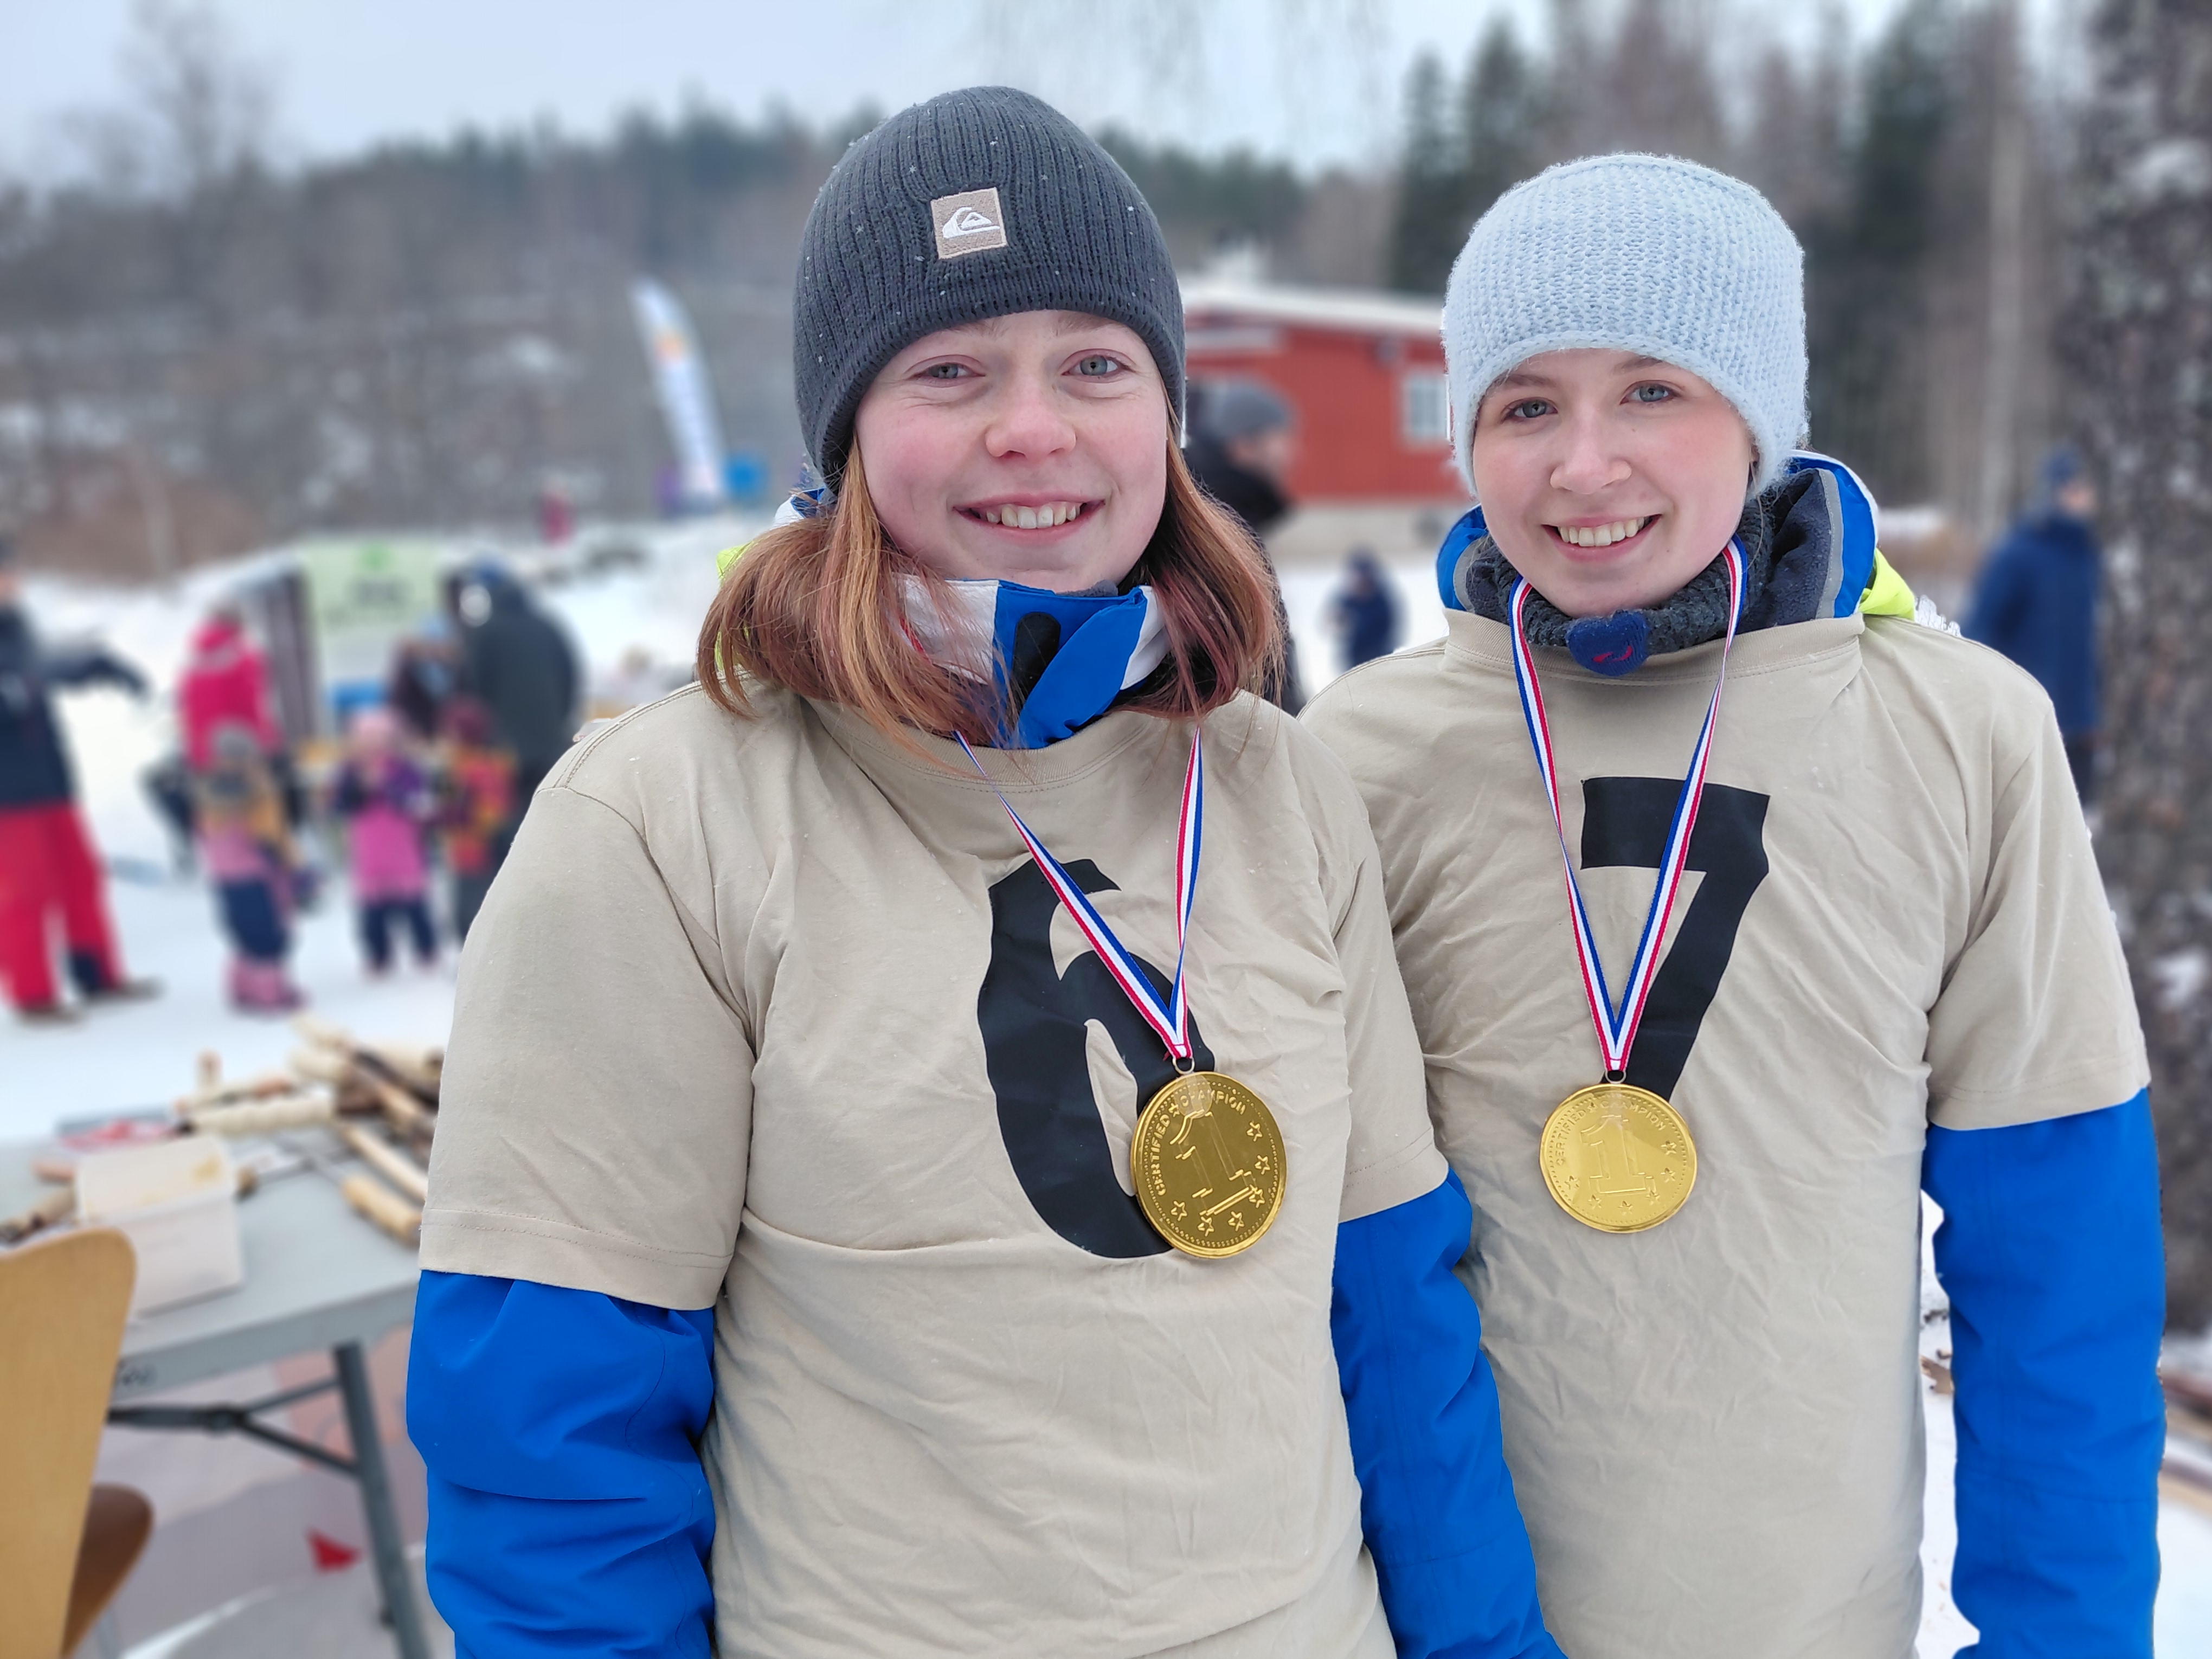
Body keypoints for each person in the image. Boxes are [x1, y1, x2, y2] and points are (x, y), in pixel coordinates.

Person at [408, 88, 1558, 1659]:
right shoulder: (665, 824)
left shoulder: (1277, 787)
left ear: (1167, 416)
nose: (1036, 427)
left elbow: (1398, 1320)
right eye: (952, 371)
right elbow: (553, 1447)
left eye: (1096, 363)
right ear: (848, 432)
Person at [1304, 155, 2163, 1659]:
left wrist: (2064, 1633)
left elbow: (2059, 1250)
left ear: (1762, 420)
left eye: (1654, 391)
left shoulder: (1958, 734)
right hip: (1433, 1618)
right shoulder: (1360, 761)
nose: (1585, 465)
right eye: (1525, 405)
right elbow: (1326, 1278)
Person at [0, 537, 157, 1024]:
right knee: (24, 892)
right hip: (9, 792)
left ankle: (98, 975)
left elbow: (46, 667)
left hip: (51, 779)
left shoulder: (17, 627)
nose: (12, 581)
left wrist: (101, 666)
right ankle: (34, 995)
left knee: (80, 878)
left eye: (13, 571)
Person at [1966, 446, 2105, 801]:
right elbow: (1981, 629)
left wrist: (2092, 715)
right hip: (2029, 724)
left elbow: (2088, 642)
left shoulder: (2087, 554)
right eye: (2072, 489)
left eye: (2085, 489)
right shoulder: (2019, 553)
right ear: (2052, 493)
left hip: (2079, 727)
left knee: (2076, 836)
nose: (2082, 498)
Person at [1186, 377, 1307, 711]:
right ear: (1244, 444)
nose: (1293, 453)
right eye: (1281, 438)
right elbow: (1254, 653)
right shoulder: (1219, 527)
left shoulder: (1214, 505)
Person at [192, 721, 304, 1013]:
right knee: (268, 932)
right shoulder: (257, 790)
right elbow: (270, 832)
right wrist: (289, 862)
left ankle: (243, 986)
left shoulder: (208, 792)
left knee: (244, 933)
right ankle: (271, 991)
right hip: (257, 872)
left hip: (226, 877)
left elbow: (204, 834)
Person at [455, 563, 578, 809]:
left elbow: (477, 684)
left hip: (506, 740)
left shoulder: (487, 632)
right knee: (552, 802)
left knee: (515, 810)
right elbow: (570, 672)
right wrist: (562, 715)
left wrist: (488, 729)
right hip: (551, 734)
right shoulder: (547, 627)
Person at [330, 707, 436, 975]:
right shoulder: (350, 771)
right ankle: (378, 954)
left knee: (415, 906)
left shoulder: (405, 769)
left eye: (380, 740)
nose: (373, 748)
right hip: (369, 853)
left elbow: (420, 803)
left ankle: (426, 949)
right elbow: (340, 805)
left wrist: (389, 789)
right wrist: (361, 789)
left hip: (403, 851)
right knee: (373, 911)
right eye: (366, 741)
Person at [431, 696, 512, 944]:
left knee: (477, 911)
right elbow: (445, 804)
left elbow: (494, 812)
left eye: (450, 734)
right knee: (461, 911)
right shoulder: (454, 766)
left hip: (481, 853)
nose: (444, 740)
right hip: (460, 851)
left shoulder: (484, 767)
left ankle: (482, 955)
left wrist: (464, 814)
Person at [1327, 548, 1401, 672]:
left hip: (1379, 658)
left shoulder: (1381, 601)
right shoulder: (1348, 599)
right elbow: (1332, 623)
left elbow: (1389, 630)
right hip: (1354, 660)